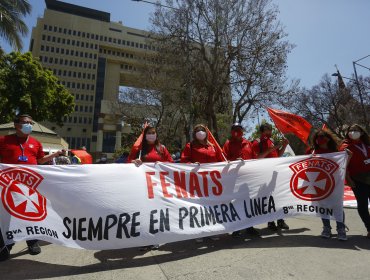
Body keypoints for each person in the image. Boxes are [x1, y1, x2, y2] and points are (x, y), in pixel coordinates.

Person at [0, 114, 66, 261]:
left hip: (29, 185)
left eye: (31, 123)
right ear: (16, 124)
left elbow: (40, 160)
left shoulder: (36, 143)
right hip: (8, 185)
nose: (29, 125)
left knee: (30, 211)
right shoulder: (4, 140)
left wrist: (56, 154)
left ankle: (32, 242)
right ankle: (7, 244)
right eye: (25, 123)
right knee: (8, 214)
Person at [128, 125, 173, 250]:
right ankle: (144, 238)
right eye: (149, 133)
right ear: (145, 135)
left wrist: (162, 164)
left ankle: (155, 238)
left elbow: (171, 163)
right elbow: (128, 161)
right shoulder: (139, 148)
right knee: (144, 211)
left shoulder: (162, 148)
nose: (151, 135)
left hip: (158, 185)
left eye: (153, 133)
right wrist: (133, 162)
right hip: (142, 185)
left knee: (156, 211)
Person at [181, 124, 225, 242]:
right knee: (198, 206)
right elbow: (184, 160)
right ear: (194, 133)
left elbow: (221, 160)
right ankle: (198, 232)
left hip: (212, 182)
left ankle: (212, 230)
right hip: (197, 181)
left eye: (202, 130)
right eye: (198, 130)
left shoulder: (213, 146)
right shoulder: (190, 146)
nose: (200, 132)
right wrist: (192, 165)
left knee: (212, 206)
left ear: (206, 132)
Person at [307, 129, 347, 240]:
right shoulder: (312, 151)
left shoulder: (337, 151)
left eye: (323, 136)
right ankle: (326, 228)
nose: (320, 139)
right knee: (323, 206)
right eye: (318, 137)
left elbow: (343, 166)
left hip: (334, 182)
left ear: (328, 138)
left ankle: (341, 229)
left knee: (337, 205)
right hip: (318, 183)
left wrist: (349, 156)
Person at [222, 123, 260, 237]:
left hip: (247, 180)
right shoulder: (228, 144)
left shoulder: (248, 143)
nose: (237, 132)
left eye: (239, 130)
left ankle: (249, 227)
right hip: (234, 180)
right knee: (236, 203)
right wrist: (234, 162)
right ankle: (236, 228)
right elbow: (224, 160)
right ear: (231, 132)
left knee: (248, 203)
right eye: (235, 130)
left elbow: (255, 159)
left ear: (243, 131)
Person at [252, 122, 290, 231]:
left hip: (275, 174)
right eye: (266, 131)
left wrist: (284, 145)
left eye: (270, 131)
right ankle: (270, 221)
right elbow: (257, 158)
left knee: (278, 197)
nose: (268, 134)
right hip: (263, 175)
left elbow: (279, 155)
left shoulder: (272, 141)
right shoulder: (256, 143)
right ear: (261, 132)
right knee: (268, 200)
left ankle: (280, 220)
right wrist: (270, 149)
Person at [339, 124, 370, 239]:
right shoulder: (345, 146)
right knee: (362, 205)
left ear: (361, 133)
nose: (353, 132)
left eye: (356, 130)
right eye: (351, 130)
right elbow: (342, 165)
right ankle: (369, 228)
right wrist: (348, 179)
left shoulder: (367, 144)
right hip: (357, 179)